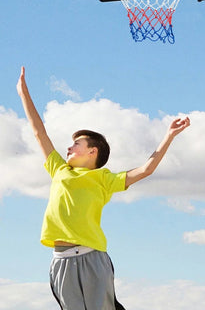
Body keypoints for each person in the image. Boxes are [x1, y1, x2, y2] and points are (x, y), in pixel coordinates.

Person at [16, 66, 190, 310]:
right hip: (61, 260)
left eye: (76, 144)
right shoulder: (59, 169)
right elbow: (38, 131)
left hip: (92, 257)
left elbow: (146, 169)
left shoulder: (103, 179)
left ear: (92, 151)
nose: (69, 148)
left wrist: (169, 135)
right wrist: (23, 93)